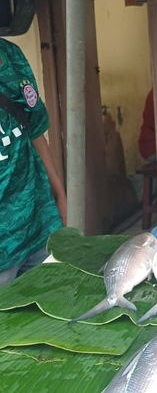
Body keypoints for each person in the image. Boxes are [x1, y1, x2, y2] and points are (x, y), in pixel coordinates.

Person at [0, 38, 66, 287]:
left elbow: (35, 129)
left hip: (38, 219)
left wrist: (59, 193)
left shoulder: (12, 55)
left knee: (48, 300)